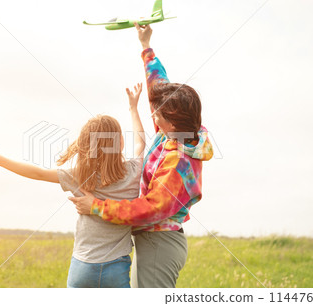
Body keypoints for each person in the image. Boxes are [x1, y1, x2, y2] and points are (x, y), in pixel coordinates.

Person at [69, 24, 214, 288]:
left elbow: (151, 209)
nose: (152, 116)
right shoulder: (176, 132)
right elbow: (159, 87)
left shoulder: (178, 163)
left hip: (160, 244)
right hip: (153, 242)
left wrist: (96, 206)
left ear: (172, 120)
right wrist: (146, 46)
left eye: (158, 114)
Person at [0, 83, 146, 288]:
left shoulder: (81, 176)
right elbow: (141, 143)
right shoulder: (134, 171)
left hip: (83, 267)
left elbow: (38, 173)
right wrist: (133, 109)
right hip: (116, 267)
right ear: (121, 144)